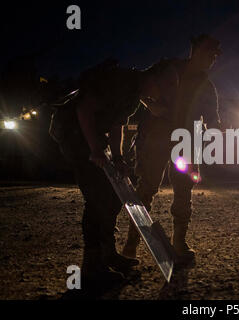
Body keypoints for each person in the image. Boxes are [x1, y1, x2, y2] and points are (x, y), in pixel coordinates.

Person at [49, 58, 178, 288]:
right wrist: (95, 149)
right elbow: (84, 109)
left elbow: (117, 125)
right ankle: (91, 267)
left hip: (93, 136)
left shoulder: (135, 95)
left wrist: (118, 158)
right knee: (96, 197)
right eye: (166, 86)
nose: (166, 93)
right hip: (74, 133)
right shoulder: (122, 81)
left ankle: (108, 254)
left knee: (111, 196)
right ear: (154, 79)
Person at [121, 34, 222, 263]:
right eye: (209, 54)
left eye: (215, 56)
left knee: (183, 190)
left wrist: (215, 134)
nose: (212, 60)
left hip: (186, 141)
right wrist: (151, 105)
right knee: (146, 188)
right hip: (157, 136)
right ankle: (131, 245)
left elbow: (213, 120)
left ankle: (179, 244)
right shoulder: (169, 69)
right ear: (195, 52)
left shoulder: (206, 85)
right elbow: (139, 85)